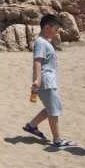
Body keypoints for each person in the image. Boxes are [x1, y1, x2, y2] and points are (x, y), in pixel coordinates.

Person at [23, 14, 72, 149]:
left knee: (51, 107)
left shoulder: (45, 42)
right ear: (46, 27)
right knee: (54, 110)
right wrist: (37, 80)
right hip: (46, 81)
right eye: (55, 29)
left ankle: (32, 125)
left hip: (48, 80)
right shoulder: (41, 43)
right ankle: (57, 140)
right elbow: (37, 62)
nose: (57, 32)